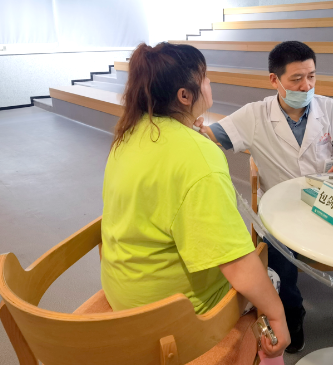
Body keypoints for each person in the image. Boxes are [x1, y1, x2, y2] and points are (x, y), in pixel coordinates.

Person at [197, 41, 333, 354]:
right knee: (278, 257)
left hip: (331, 201)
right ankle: (292, 312)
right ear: (274, 80)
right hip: (282, 210)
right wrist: (194, 127)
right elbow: (209, 138)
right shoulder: (254, 115)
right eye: (296, 79)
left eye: (312, 76)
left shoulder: (330, 109)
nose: (306, 86)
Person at [100, 42, 290, 358]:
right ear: (185, 96)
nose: (209, 83)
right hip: (171, 316)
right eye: (204, 78)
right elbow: (235, 262)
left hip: (123, 291)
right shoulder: (199, 158)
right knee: (271, 279)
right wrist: (278, 316)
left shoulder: (129, 134)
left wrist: (191, 135)